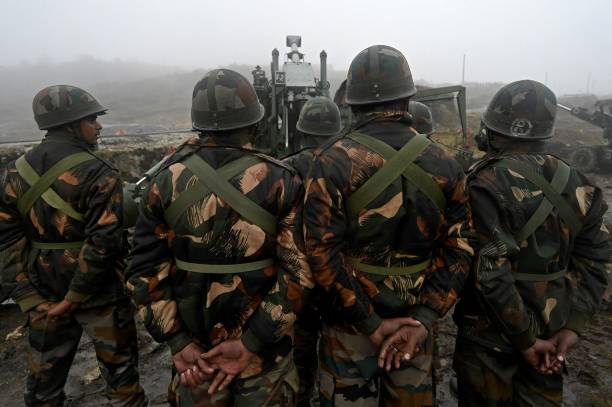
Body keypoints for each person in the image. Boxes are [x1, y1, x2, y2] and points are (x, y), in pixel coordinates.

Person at [302, 45, 475, 406]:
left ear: (351, 100)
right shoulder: (446, 163)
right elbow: (460, 247)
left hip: (349, 328)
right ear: (408, 97)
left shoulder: (332, 161)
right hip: (415, 327)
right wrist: (424, 317)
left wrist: (369, 323)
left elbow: (320, 253)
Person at [127, 69, 307, 406]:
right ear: (254, 121)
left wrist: (178, 343)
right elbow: (299, 273)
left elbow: (142, 272)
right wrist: (252, 342)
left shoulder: (163, 182)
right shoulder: (282, 180)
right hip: (263, 358)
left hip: (196, 361)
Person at [453, 80, 611, 406]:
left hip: (488, 338)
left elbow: (489, 273)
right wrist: (575, 327)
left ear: (491, 129)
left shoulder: (481, 182)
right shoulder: (580, 184)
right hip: (554, 335)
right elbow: (598, 260)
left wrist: (523, 339)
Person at [0, 85, 147, 406]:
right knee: (121, 382)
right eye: (91, 119)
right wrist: (75, 297)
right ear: (71, 124)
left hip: (42, 294)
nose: (98, 126)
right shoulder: (98, 172)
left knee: (42, 388)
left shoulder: (14, 171)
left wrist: (26, 295)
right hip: (101, 295)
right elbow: (104, 242)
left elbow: (6, 238)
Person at [283, 96, 342, 406]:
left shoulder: (286, 168)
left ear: (302, 132)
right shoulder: (348, 165)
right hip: (339, 276)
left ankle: (303, 395)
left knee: (301, 350)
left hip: (297, 278)